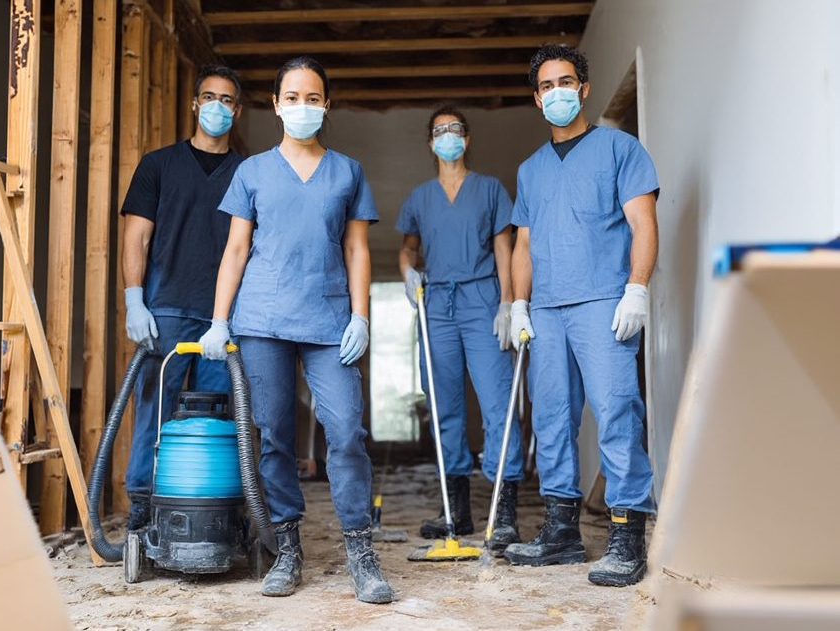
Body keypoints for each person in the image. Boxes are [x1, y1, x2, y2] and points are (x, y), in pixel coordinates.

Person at [198, 56, 393, 604]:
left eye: (313, 98)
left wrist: (361, 315)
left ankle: (361, 549)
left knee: (348, 430)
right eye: (292, 97)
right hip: (262, 318)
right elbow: (237, 249)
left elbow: (355, 247)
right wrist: (219, 318)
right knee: (274, 435)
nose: (302, 107)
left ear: (325, 105)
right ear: (276, 104)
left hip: (329, 319)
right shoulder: (253, 171)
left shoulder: (348, 171)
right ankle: (287, 547)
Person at [504, 44, 659, 588]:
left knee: (616, 410)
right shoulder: (530, 170)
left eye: (565, 82)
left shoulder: (621, 149)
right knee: (550, 419)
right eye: (546, 86)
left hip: (601, 301)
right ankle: (562, 532)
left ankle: (626, 535)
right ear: (536, 98)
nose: (556, 93)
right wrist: (519, 303)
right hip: (545, 308)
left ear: (584, 89)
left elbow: (643, 224)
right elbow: (523, 245)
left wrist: (635, 290)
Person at [120, 65, 244, 530]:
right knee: (155, 408)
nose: (217, 106)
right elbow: (137, 238)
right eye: (209, 97)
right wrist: (135, 300)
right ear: (195, 103)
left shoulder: (246, 172)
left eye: (227, 100)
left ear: (237, 109)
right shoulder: (159, 165)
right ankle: (142, 506)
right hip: (166, 308)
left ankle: (212, 509)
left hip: (224, 316)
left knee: (216, 418)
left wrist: (227, 317)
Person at [396, 106, 525, 554]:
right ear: (430, 143)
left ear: (467, 139)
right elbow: (409, 248)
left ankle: (504, 510)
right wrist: (408, 272)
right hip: (437, 304)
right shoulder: (419, 198)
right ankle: (457, 510)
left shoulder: (489, 190)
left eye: (455, 130)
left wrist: (508, 301)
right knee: (444, 404)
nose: (447, 137)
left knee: (496, 400)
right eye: (439, 131)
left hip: (482, 299)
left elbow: (504, 246)